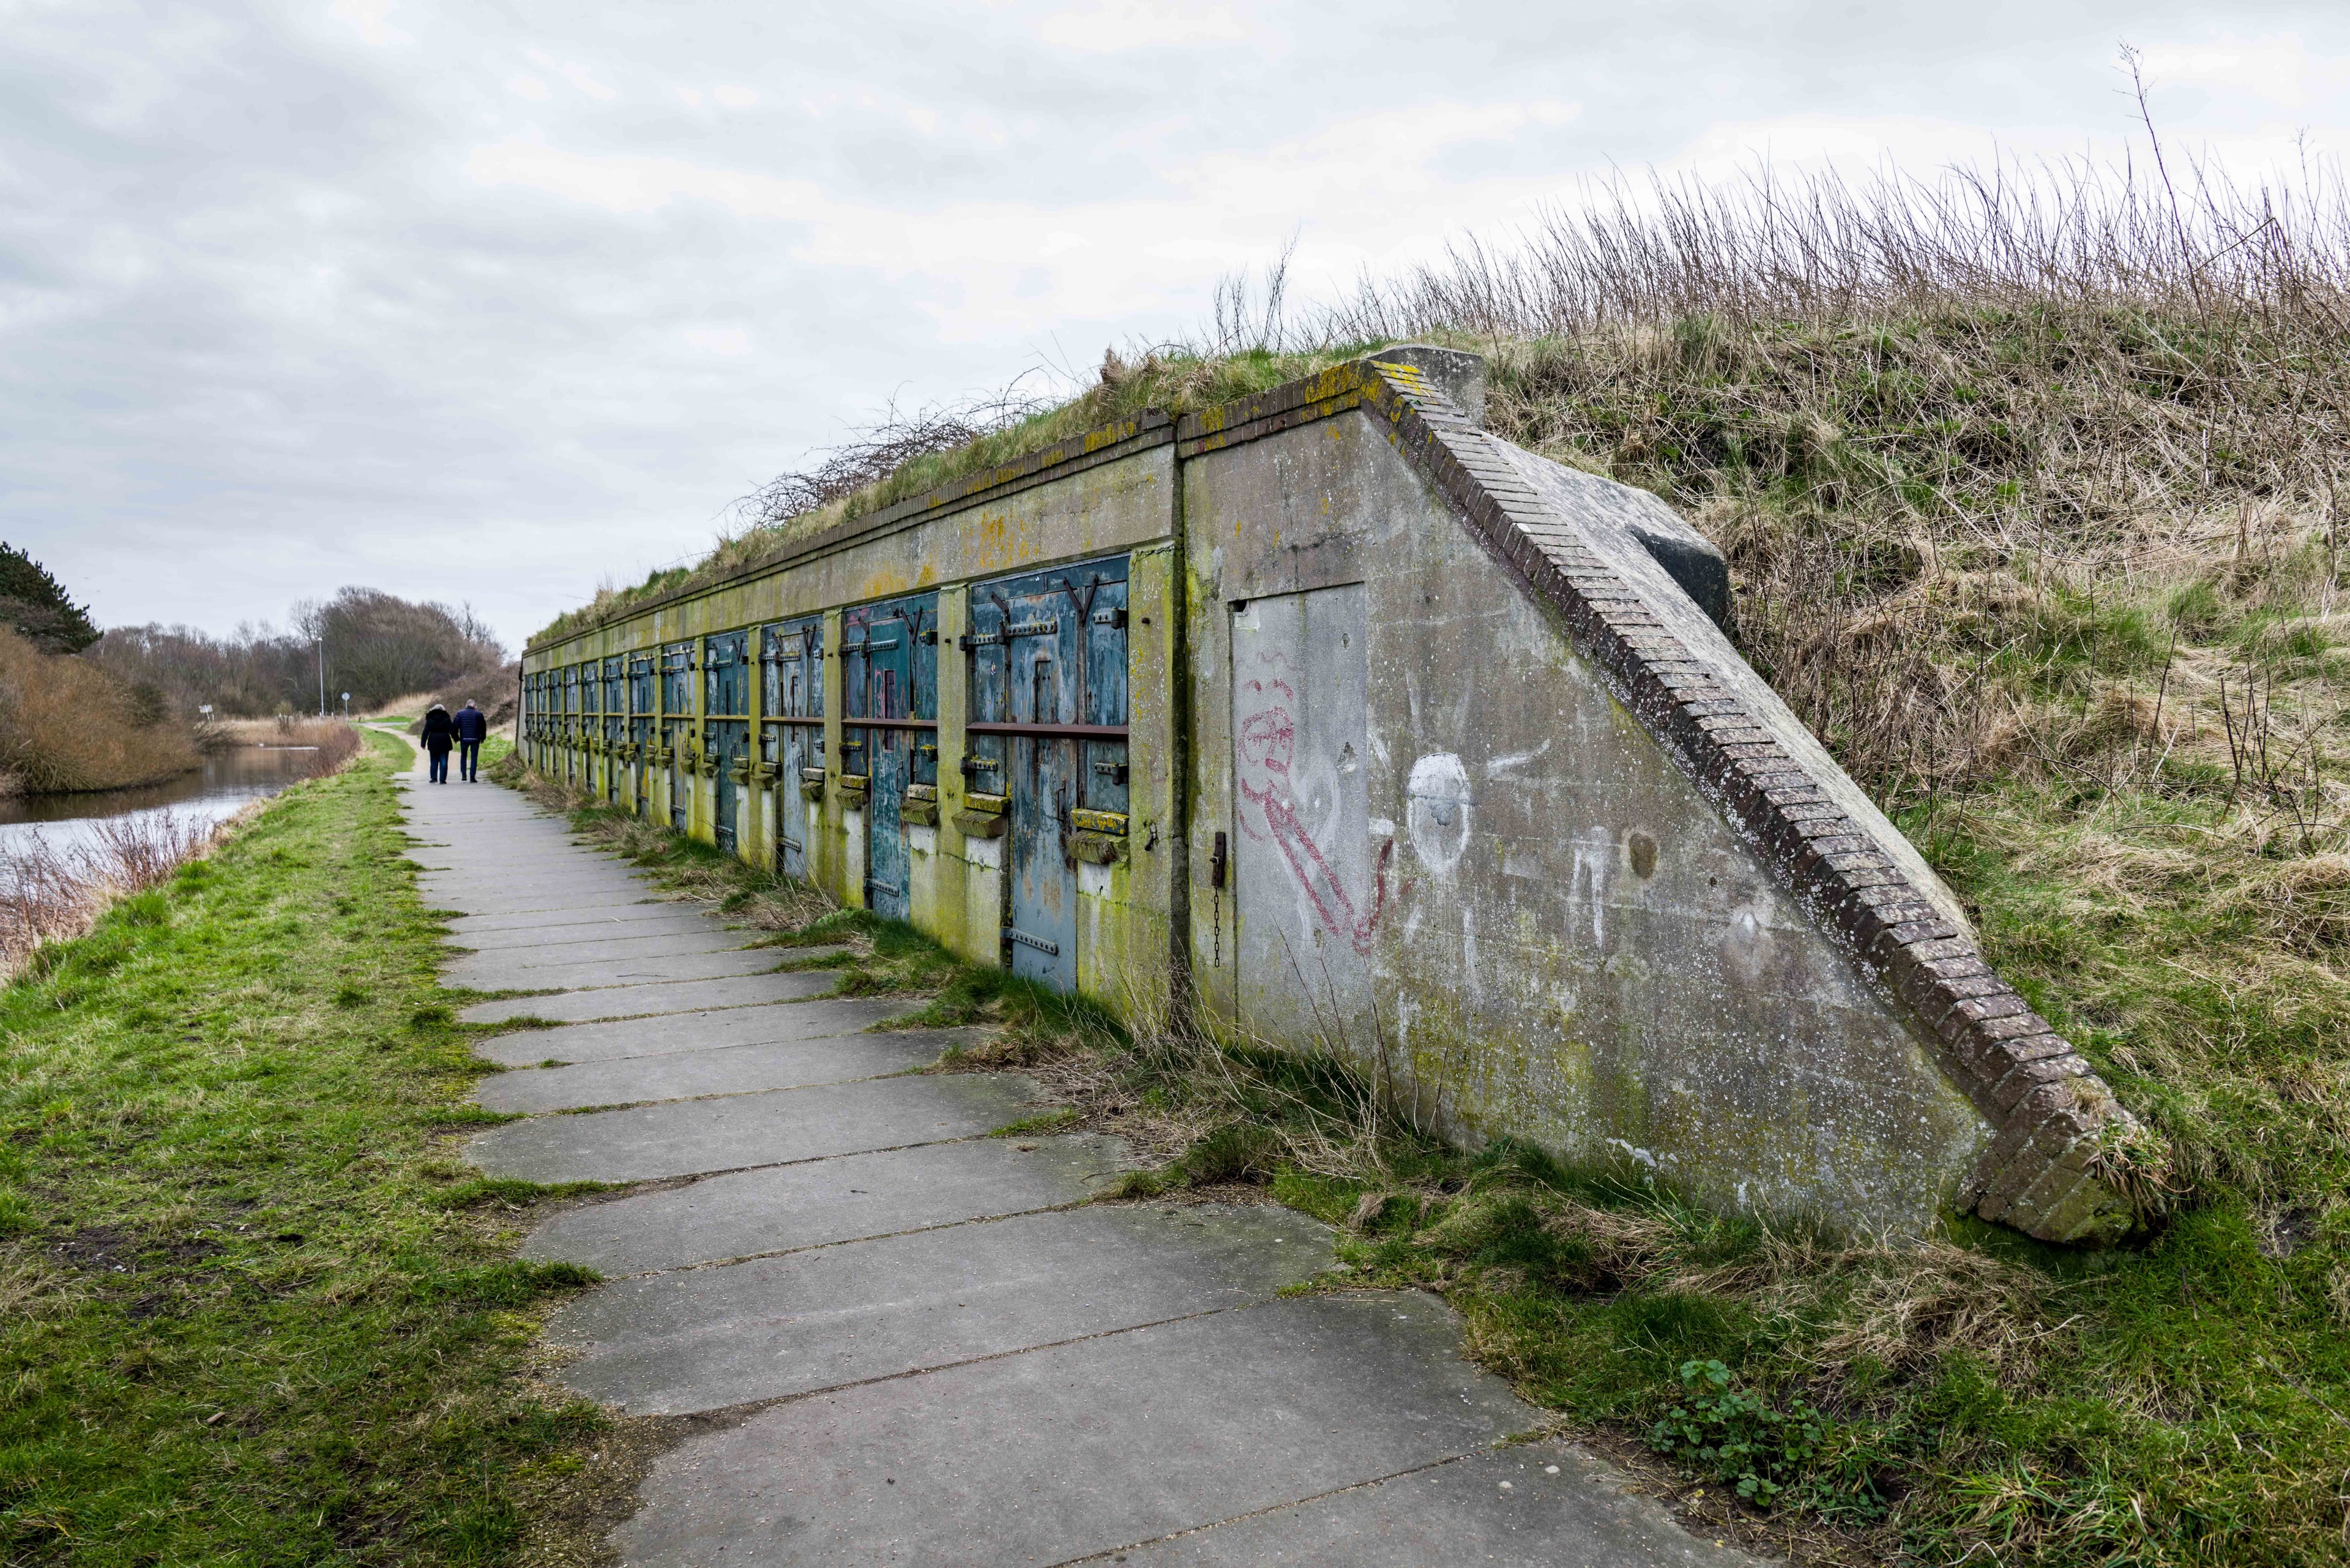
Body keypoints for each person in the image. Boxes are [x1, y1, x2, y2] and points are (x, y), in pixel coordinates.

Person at [420, 703, 456, 784]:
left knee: (434, 760)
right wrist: (456, 738)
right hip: (445, 740)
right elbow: (451, 729)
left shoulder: (430, 718)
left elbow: (426, 731)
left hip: (433, 740)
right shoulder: (446, 718)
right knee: (444, 761)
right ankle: (442, 779)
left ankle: (434, 778)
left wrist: (423, 743)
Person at [454, 699, 488, 782]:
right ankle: (472, 777)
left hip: (464, 739)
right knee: (474, 757)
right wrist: (483, 738)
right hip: (475, 739)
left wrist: (456, 738)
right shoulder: (479, 714)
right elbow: (483, 727)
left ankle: (464, 775)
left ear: (467, 705)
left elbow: (455, 726)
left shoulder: (460, 714)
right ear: (474, 706)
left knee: (463, 756)